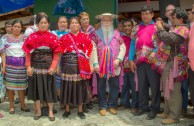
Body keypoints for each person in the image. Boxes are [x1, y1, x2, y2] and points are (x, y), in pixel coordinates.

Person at [22, 13, 61, 121]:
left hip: (49, 68)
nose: (43, 25)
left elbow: (56, 54)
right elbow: (28, 53)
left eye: (45, 23)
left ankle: (50, 111)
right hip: (35, 67)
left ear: (48, 24)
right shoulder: (32, 37)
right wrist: (28, 66)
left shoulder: (53, 37)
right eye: (41, 23)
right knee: (37, 90)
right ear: (37, 24)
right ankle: (38, 110)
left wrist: (53, 67)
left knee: (49, 89)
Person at [156, 7, 189, 124]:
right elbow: (168, 31)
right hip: (169, 61)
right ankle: (167, 111)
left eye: (174, 17)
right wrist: (162, 26)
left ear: (180, 19)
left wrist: (160, 28)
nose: (172, 19)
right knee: (167, 87)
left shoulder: (184, 29)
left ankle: (174, 116)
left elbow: (169, 39)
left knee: (174, 90)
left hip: (177, 63)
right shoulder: (176, 28)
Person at [129, 5, 161, 120]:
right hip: (140, 61)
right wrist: (131, 59)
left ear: (152, 14)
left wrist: (155, 52)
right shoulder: (136, 28)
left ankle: (155, 109)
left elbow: (162, 43)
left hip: (153, 61)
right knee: (141, 86)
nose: (144, 16)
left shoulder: (157, 27)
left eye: (147, 13)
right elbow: (132, 44)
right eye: (142, 14)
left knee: (154, 86)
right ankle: (143, 107)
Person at [59, 17, 94, 119]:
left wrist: (91, 65)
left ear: (79, 25)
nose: (74, 25)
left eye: (76, 23)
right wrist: (57, 66)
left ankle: (80, 110)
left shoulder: (85, 37)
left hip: (80, 67)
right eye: (72, 23)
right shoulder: (64, 38)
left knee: (80, 88)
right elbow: (59, 54)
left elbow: (90, 53)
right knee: (66, 87)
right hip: (67, 66)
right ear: (69, 25)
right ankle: (67, 109)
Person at [93, 13, 126, 116]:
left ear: (112, 22)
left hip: (114, 65)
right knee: (101, 86)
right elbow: (93, 48)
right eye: (104, 20)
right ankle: (102, 106)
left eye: (109, 21)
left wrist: (119, 59)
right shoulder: (96, 34)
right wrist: (95, 63)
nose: (106, 23)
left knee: (114, 86)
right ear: (101, 22)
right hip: (100, 65)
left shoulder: (117, 33)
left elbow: (123, 47)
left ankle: (112, 105)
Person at [2, 19, 30, 114]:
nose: (17, 28)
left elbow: (28, 52)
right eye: (15, 26)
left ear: (21, 28)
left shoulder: (25, 38)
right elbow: (3, 54)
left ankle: (23, 105)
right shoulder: (4, 38)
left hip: (22, 67)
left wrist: (28, 65)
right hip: (9, 66)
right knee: (10, 87)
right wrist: (3, 67)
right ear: (12, 27)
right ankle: (11, 106)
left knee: (21, 87)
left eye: (19, 27)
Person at [79, 12, 98, 111]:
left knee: (90, 82)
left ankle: (89, 100)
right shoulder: (77, 31)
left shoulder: (93, 31)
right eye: (83, 19)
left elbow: (95, 46)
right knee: (83, 81)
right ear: (80, 21)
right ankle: (84, 101)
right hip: (81, 59)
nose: (86, 21)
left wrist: (94, 62)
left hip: (90, 59)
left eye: (87, 19)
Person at [119, 19, 138, 113]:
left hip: (134, 66)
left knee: (134, 87)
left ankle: (135, 105)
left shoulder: (136, 37)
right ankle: (125, 104)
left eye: (129, 26)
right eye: (125, 26)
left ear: (132, 26)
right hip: (123, 67)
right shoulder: (120, 38)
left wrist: (133, 61)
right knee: (124, 86)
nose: (127, 28)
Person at [52, 16, 69, 102]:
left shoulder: (71, 33)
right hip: (57, 60)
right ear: (58, 23)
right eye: (61, 22)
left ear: (67, 23)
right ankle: (62, 100)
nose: (63, 24)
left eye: (64, 22)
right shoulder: (53, 34)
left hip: (69, 62)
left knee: (68, 81)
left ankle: (68, 101)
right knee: (58, 81)